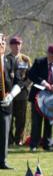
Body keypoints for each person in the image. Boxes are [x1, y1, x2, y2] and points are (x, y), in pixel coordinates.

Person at [27, 44, 53, 152]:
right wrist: (44, 82)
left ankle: (47, 144)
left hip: (51, 99)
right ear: (48, 54)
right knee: (36, 122)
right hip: (37, 97)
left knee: (49, 121)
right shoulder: (39, 62)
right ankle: (34, 144)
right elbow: (31, 75)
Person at [0, 33, 25, 169]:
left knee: (4, 134)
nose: (2, 44)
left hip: (6, 104)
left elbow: (19, 82)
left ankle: (2, 161)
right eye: (0, 41)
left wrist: (11, 96)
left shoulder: (10, 61)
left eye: (4, 41)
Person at [6, 36, 31, 146]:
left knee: (21, 118)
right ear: (10, 46)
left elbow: (30, 76)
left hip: (22, 93)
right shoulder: (5, 59)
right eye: (15, 44)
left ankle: (19, 140)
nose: (17, 46)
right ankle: (9, 140)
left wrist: (24, 85)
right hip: (8, 94)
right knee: (9, 118)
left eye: (19, 44)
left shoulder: (25, 59)